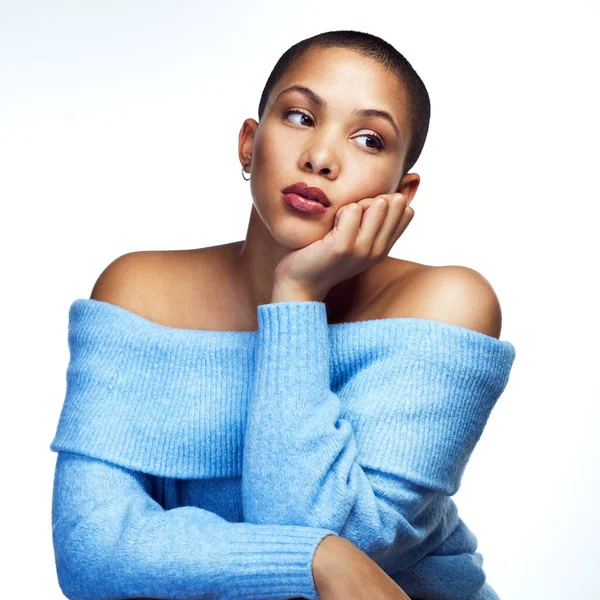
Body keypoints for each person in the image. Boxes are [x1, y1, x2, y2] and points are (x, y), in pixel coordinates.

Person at [50, 30, 516, 600]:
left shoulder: (445, 304)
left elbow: (339, 533)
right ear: (249, 144)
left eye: (369, 139)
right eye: (299, 117)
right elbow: (92, 550)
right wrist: (315, 560)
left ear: (404, 190)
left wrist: (296, 295)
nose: (321, 157)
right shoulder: (139, 292)